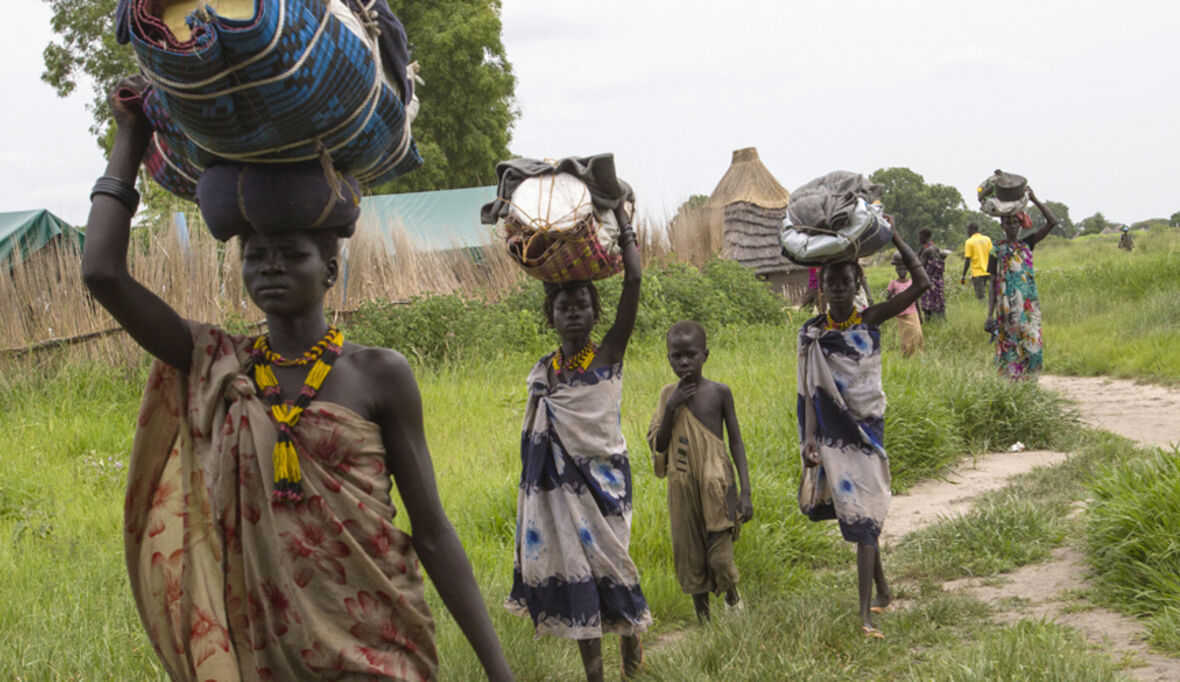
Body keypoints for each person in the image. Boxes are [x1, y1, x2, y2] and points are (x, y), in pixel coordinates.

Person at [82, 77, 512, 681]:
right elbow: (102, 273)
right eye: (256, 255)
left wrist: (499, 669)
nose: (271, 267)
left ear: (330, 268)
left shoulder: (379, 374)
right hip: (265, 654)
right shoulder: (218, 363)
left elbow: (433, 530)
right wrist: (130, 137)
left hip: (378, 643)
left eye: (291, 253)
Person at [505, 212, 650, 682]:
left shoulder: (609, 354)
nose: (572, 311)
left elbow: (633, 280)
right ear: (549, 315)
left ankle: (632, 650)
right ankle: (595, 676)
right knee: (579, 575)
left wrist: (623, 221)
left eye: (582, 304)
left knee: (616, 567)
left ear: (595, 313)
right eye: (563, 304)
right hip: (559, 494)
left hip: (606, 486)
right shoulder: (544, 373)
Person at [796, 230, 929, 639]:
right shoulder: (812, 333)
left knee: (865, 514)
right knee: (860, 516)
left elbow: (922, 284)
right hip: (832, 437)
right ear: (822, 286)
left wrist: (895, 237)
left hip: (867, 429)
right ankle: (882, 592)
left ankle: (864, 615)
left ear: (857, 285)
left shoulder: (870, 319)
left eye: (846, 281)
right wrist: (809, 440)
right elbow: (807, 390)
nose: (838, 288)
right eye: (831, 281)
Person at [647, 321, 753, 623]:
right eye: (676, 356)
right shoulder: (667, 394)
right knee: (691, 553)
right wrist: (671, 407)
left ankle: (732, 596)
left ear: (705, 355)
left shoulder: (720, 393)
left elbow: (735, 441)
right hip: (682, 486)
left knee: (720, 557)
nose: (683, 362)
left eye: (690, 355)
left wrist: (745, 492)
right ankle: (704, 623)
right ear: (668, 358)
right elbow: (660, 443)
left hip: (718, 484)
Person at [986, 188, 1058, 380]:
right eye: (1008, 223)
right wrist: (989, 314)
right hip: (1007, 309)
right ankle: (1013, 387)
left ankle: (1031, 383)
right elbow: (992, 283)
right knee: (1010, 348)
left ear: (1021, 225)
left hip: (1029, 308)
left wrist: (1033, 198)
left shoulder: (1028, 244)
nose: (1012, 227)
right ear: (1002, 225)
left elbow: (1053, 222)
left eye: (1016, 223)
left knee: (1032, 347)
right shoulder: (995, 250)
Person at [886, 252, 924, 356]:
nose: (901, 271)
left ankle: (918, 355)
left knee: (918, 334)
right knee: (906, 338)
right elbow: (888, 299)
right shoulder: (893, 283)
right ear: (896, 270)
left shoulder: (911, 282)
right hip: (901, 315)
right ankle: (907, 356)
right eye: (899, 269)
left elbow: (916, 300)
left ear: (907, 270)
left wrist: (920, 315)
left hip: (913, 313)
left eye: (903, 269)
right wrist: (891, 295)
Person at [917, 228, 947, 321]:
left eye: (920, 236)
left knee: (931, 305)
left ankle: (933, 324)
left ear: (926, 237)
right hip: (933, 282)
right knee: (934, 305)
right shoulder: (929, 248)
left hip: (930, 282)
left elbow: (920, 265)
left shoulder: (929, 250)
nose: (919, 238)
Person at [960, 222, 993, 300]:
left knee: (980, 297)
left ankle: (983, 311)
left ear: (970, 230)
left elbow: (968, 260)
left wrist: (963, 275)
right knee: (992, 293)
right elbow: (992, 255)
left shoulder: (969, 242)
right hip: (989, 271)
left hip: (977, 273)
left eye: (968, 230)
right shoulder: (987, 239)